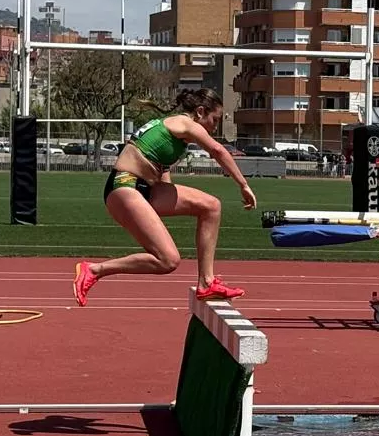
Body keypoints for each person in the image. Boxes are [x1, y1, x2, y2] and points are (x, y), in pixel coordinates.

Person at [73, 88, 256, 306]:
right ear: (199, 112)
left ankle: (207, 283)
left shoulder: (173, 128)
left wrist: (171, 201)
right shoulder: (185, 123)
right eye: (214, 120)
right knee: (168, 260)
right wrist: (243, 185)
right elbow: (217, 150)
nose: (214, 127)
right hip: (124, 186)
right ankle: (94, 269)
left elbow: (161, 166)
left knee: (211, 206)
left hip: (146, 189)